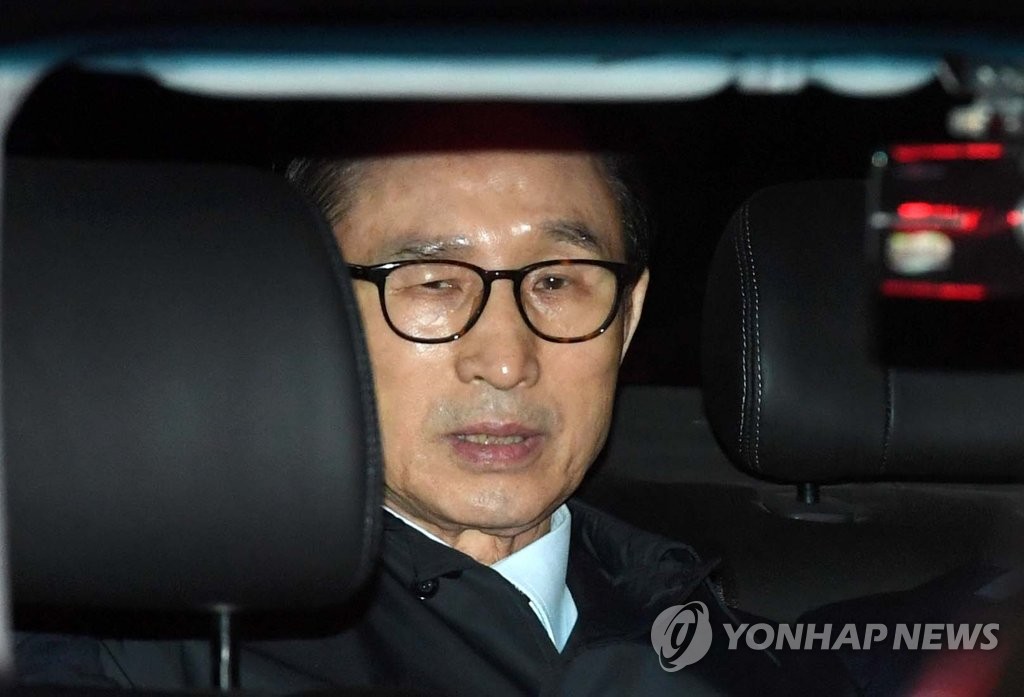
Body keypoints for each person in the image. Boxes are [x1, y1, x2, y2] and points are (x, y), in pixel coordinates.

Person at [16, 105, 851, 695]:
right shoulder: (147, 649)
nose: (505, 360)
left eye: (558, 281)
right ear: (311, 308)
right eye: (431, 282)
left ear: (626, 320)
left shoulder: (763, 649)